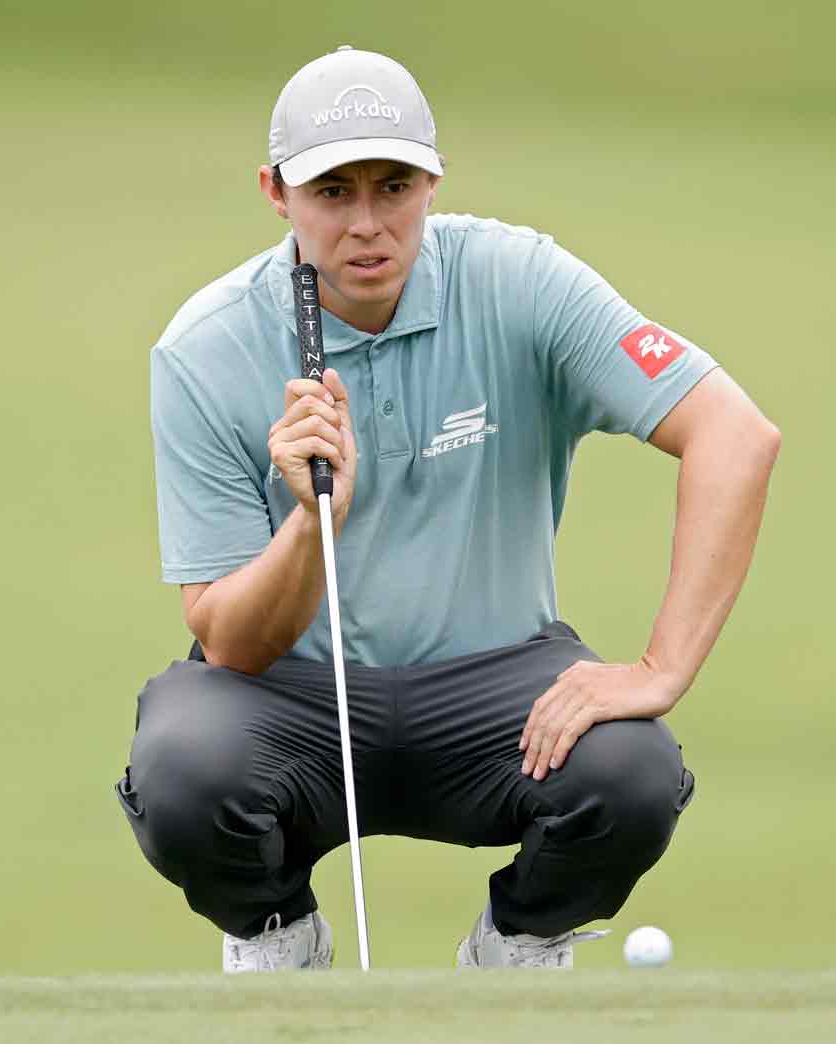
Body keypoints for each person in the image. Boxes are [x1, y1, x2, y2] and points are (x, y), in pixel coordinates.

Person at [112, 46, 781, 971]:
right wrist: (313, 522)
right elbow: (229, 640)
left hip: (496, 688)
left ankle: (515, 953)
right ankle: (279, 946)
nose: (367, 224)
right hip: (293, 700)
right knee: (186, 769)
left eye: (394, 186)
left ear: (435, 179)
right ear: (275, 192)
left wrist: (660, 669)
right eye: (332, 192)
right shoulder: (206, 348)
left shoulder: (519, 280)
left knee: (628, 773)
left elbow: (736, 436)